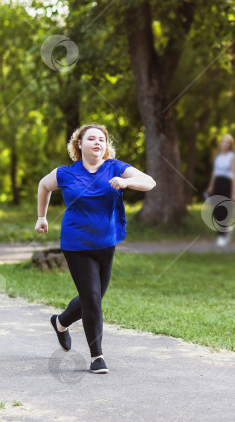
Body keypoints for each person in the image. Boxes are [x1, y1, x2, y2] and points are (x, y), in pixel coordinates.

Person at [35, 123, 156, 374]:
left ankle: (60, 322)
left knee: (94, 298)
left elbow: (149, 182)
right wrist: (41, 217)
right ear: (79, 144)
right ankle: (96, 356)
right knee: (92, 299)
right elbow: (43, 186)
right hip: (76, 244)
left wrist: (127, 183)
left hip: (106, 243)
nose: (98, 142)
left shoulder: (116, 168)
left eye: (102, 139)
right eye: (91, 139)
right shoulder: (66, 173)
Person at [205, 134, 235, 247]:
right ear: (220, 144)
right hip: (217, 183)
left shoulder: (232, 156)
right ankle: (227, 228)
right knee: (215, 208)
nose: (224, 144)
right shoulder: (217, 156)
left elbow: (233, 174)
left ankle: (221, 236)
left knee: (225, 209)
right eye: (223, 141)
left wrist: (234, 192)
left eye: (227, 142)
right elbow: (214, 172)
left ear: (229, 145)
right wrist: (211, 186)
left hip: (227, 183)